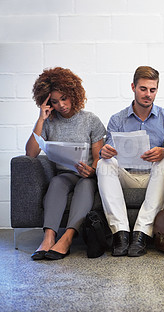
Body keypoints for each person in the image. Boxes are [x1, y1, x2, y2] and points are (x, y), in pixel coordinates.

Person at [26, 67, 106, 260]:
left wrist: (92, 170)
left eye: (64, 98)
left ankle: (68, 238)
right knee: (56, 183)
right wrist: (41, 119)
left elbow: (99, 156)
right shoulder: (49, 121)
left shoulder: (90, 120)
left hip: (86, 174)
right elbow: (31, 153)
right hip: (65, 174)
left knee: (85, 186)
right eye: (54, 101)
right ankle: (48, 237)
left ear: (73, 94)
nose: (61, 105)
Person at [96, 66, 164, 257]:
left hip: (154, 176)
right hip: (126, 174)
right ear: (133, 87)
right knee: (103, 164)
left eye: (152, 90)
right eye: (143, 89)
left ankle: (141, 234)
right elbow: (109, 152)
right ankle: (120, 233)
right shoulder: (117, 119)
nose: (148, 94)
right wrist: (105, 152)